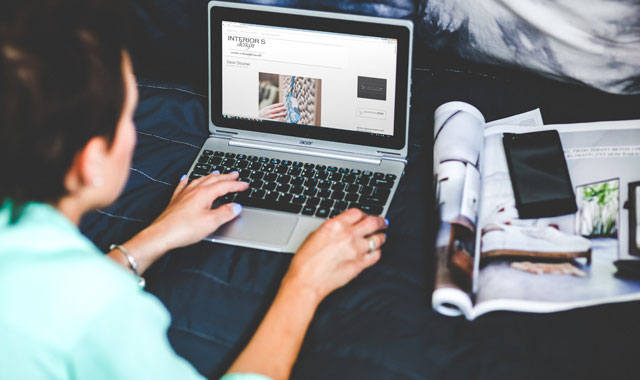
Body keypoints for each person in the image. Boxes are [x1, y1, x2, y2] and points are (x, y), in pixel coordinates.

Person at [0, 1, 388, 379]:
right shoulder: (104, 311)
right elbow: (75, 308)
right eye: (127, 116)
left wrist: (151, 241)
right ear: (91, 162)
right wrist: (304, 282)